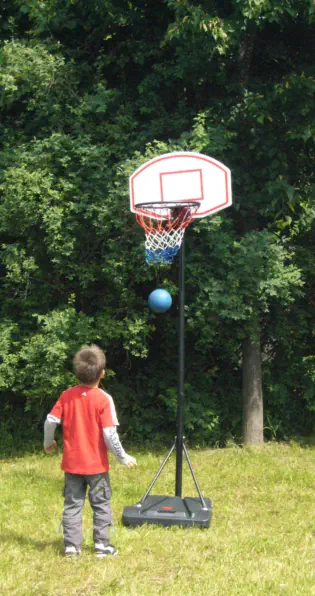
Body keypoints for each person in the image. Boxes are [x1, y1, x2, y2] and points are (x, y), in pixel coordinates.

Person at [43, 344, 137, 558]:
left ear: (76, 374)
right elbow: (109, 434)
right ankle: (102, 546)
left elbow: (50, 421)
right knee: (101, 504)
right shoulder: (104, 399)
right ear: (102, 373)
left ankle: (72, 548)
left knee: (72, 505)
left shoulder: (67, 395)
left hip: (72, 466)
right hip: (96, 467)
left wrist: (48, 442)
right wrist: (123, 457)